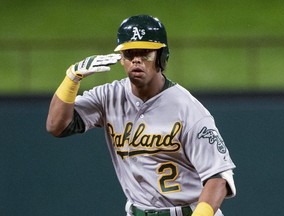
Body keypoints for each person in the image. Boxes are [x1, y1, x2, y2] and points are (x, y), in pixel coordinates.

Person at [46, 14, 236, 216]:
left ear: (161, 57)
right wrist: (71, 79)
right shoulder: (108, 96)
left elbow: (218, 179)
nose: (136, 60)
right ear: (121, 59)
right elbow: (57, 126)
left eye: (145, 53)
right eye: (129, 53)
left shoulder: (188, 109)